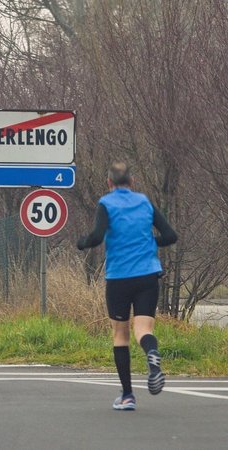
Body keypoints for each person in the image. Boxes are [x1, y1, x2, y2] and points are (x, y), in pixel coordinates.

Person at [77, 162, 177, 411]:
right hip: (147, 276)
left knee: (120, 335)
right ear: (132, 182)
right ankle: (152, 358)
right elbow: (171, 236)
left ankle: (128, 396)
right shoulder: (144, 202)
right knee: (143, 329)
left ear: (109, 183)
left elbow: (97, 236)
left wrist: (82, 243)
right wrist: (150, 242)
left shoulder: (106, 204)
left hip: (119, 277)